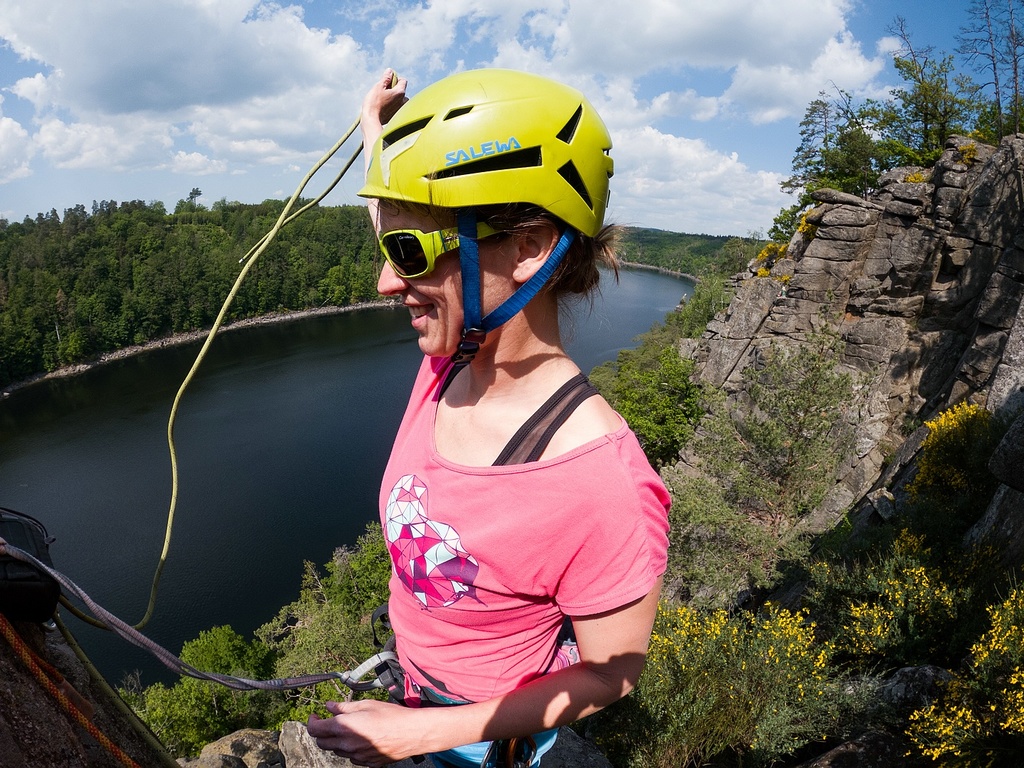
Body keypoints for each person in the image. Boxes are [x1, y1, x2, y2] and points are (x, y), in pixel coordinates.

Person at [306, 67, 671, 768]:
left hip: (482, 746)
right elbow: (405, 229)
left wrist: (421, 735)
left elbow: (612, 673)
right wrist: (373, 129)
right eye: (391, 250)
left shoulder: (600, 481)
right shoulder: (452, 362)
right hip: (412, 691)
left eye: (407, 254)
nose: (386, 280)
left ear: (530, 248)